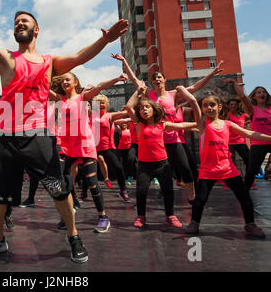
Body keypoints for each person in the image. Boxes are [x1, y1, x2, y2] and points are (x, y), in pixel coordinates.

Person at [0, 4, 128, 262]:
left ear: (36, 29)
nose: (19, 23)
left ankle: (73, 236)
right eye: (16, 22)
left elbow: (81, 56)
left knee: (58, 189)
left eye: (25, 20)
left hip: (36, 137)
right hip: (3, 137)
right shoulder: (5, 58)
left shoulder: (50, 62)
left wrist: (105, 40)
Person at [112, 53, 224, 203]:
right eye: (154, 78)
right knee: (164, 171)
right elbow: (134, 80)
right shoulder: (149, 94)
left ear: (165, 80)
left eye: (159, 77)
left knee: (186, 168)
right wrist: (125, 60)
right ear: (152, 83)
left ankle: (192, 198)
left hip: (174, 138)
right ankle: (164, 193)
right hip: (157, 140)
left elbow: (195, 87)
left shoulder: (174, 95)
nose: (157, 79)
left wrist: (211, 73)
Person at [50, 72, 127, 232]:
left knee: (92, 183)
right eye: (62, 80)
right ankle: (68, 214)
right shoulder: (60, 100)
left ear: (75, 82)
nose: (64, 82)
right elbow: (43, 88)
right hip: (67, 146)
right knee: (63, 183)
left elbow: (100, 86)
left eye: (68, 79)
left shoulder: (82, 97)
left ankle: (103, 216)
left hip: (85, 144)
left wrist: (116, 78)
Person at [185, 93, 269, 238]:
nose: (209, 108)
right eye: (205, 105)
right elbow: (192, 100)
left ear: (219, 107)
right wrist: (183, 89)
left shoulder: (228, 124)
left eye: (212, 105)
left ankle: (250, 224)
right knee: (200, 200)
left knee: (245, 198)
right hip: (208, 170)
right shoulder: (202, 124)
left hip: (228, 169)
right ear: (202, 109)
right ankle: (194, 222)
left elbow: (249, 133)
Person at [125, 85, 199, 229]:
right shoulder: (139, 124)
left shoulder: (162, 124)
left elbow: (181, 124)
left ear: (154, 109)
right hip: (145, 165)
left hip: (162, 164)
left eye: (147, 107)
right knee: (141, 191)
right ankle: (141, 216)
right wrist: (138, 91)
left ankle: (170, 216)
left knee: (168, 191)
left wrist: (196, 124)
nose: (144, 110)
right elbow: (129, 106)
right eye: (141, 108)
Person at [227, 82, 271, 191]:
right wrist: (234, 83)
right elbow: (242, 97)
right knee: (252, 170)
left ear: (266, 95)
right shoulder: (253, 110)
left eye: (263, 92)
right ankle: (245, 192)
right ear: (254, 96)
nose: (262, 94)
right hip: (258, 143)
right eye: (259, 92)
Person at [91, 94, 130, 202]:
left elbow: (126, 112)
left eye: (103, 103)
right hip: (94, 148)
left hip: (108, 147)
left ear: (107, 105)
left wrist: (137, 94)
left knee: (118, 167)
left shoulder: (110, 116)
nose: (100, 105)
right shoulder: (91, 115)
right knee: (88, 169)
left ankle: (123, 190)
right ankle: (84, 193)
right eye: (98, 103)